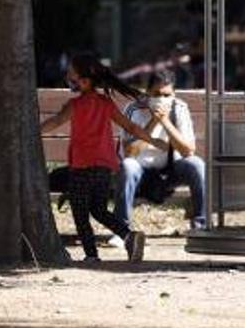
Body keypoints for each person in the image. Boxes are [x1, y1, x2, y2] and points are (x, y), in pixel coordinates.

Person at [38, 52, 152, 263]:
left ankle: (91, 255)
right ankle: (129, 236)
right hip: (104, 166)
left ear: (84, 80)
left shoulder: (75, 105)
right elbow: (130, 126)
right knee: (99, 209)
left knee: (80, 211)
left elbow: (55, 122)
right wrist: (151, 138)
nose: (68, 78)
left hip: (81, 166)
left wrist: (34, 131)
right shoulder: (105, 103)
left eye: (71, 74)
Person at [115, 69, 207, 236]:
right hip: (140, 171)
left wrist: (165, 121)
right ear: (147, 93)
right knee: (128, 166)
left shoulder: (179, 108)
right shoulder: (133, 109)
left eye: (167, 95)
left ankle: (201, 225)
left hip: (171, 170)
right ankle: (122, 230)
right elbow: (129, 152)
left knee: (197, 165)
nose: (162, 99)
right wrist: (152, 122)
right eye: (157, 94)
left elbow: (188, 151)